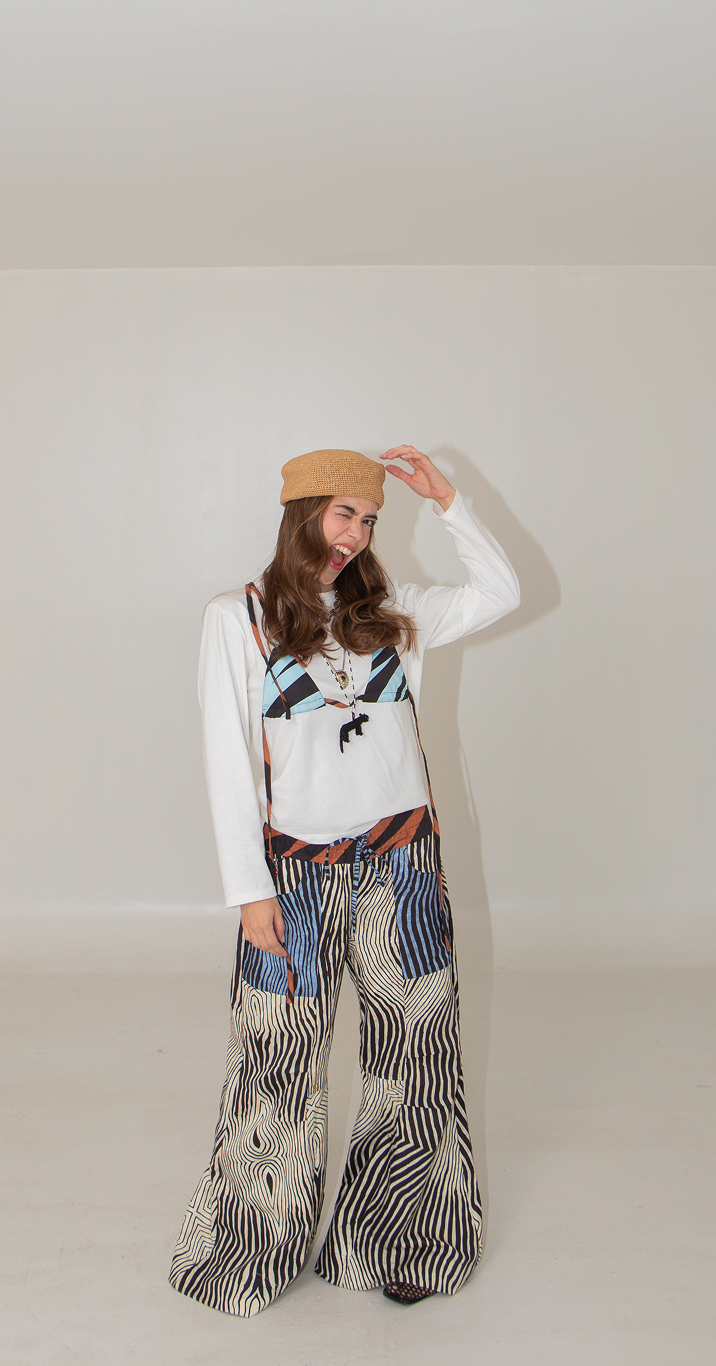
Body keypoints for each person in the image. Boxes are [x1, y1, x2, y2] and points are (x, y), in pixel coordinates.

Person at [169, 446, 520, 1316]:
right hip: (293, 875)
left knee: (417, 1052)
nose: (356, 535)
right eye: (343, 514)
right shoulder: (238, 619)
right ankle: (247, 1251)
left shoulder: (392, 613)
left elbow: (500, 592)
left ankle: (404, 1240)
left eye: (368, 520)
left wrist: (448, 501)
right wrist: (249, 892)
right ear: (302, 513)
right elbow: (226, 763)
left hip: (403, 865)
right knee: (277, 1058)